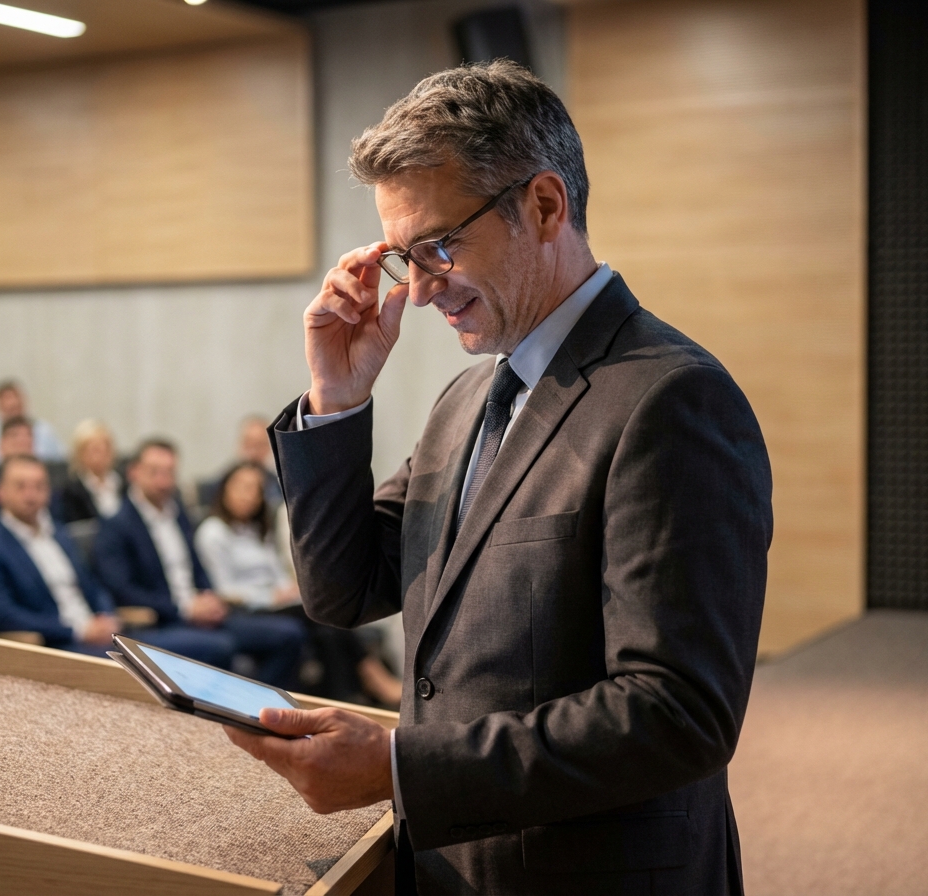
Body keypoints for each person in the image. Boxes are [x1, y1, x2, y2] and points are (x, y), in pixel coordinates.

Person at [222, 62, 772, 896]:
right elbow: (344, 590)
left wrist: (404, 768)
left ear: (545, 206)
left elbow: (675, 714)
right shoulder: (469, 396)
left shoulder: (673, 400)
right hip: (453, 867)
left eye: (440, 246)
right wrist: (336, 400)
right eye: (405, 258)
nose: (424, 288)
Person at [92, 439, 304, 688]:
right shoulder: (116, 525)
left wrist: (209, 596)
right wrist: (184, 608)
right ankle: (237, 711)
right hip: (160, 622)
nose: (163, 481)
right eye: (154, 473)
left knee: (290, 634)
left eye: (169, 473)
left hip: (200, 615)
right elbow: (122, 590)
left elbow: (197, 566)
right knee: (220, 647)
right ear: (134, 473)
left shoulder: (177, 513)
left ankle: (257, 709)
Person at [0, 454, 222, 660]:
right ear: (0, 493)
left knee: (212, 648)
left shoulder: (57, 532)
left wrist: (104, 614)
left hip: (101, 633)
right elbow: (3, 615)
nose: (31, 494)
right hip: (57, 646)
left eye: (39, 486)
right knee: (189, 653)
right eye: (21, 486)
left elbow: (90, 584)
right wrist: (76, 630)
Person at [196, 462, 401, 707]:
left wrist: (291, 589)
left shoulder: (257, 531)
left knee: (326, 626)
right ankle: (371, 676)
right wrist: (271, 596)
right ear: (224, 490)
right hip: (247, 609)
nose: (248, 496)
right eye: (242, 487)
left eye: (255, 489)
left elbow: (276, 573)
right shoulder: (213, 532)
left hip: (279, 603)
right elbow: (224, 589)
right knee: (325, 611)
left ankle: (344, 700)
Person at [0, 379, 64, 466]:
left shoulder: (43, 428)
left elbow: (60, 457)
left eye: (16, 397)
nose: (13, 402)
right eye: (7, 398)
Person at [58, 419, 123, 523]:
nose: (101, 455)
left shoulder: (124, 485)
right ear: (80, 454)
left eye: (105, 448)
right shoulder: (71, 492)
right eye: (95, 450)